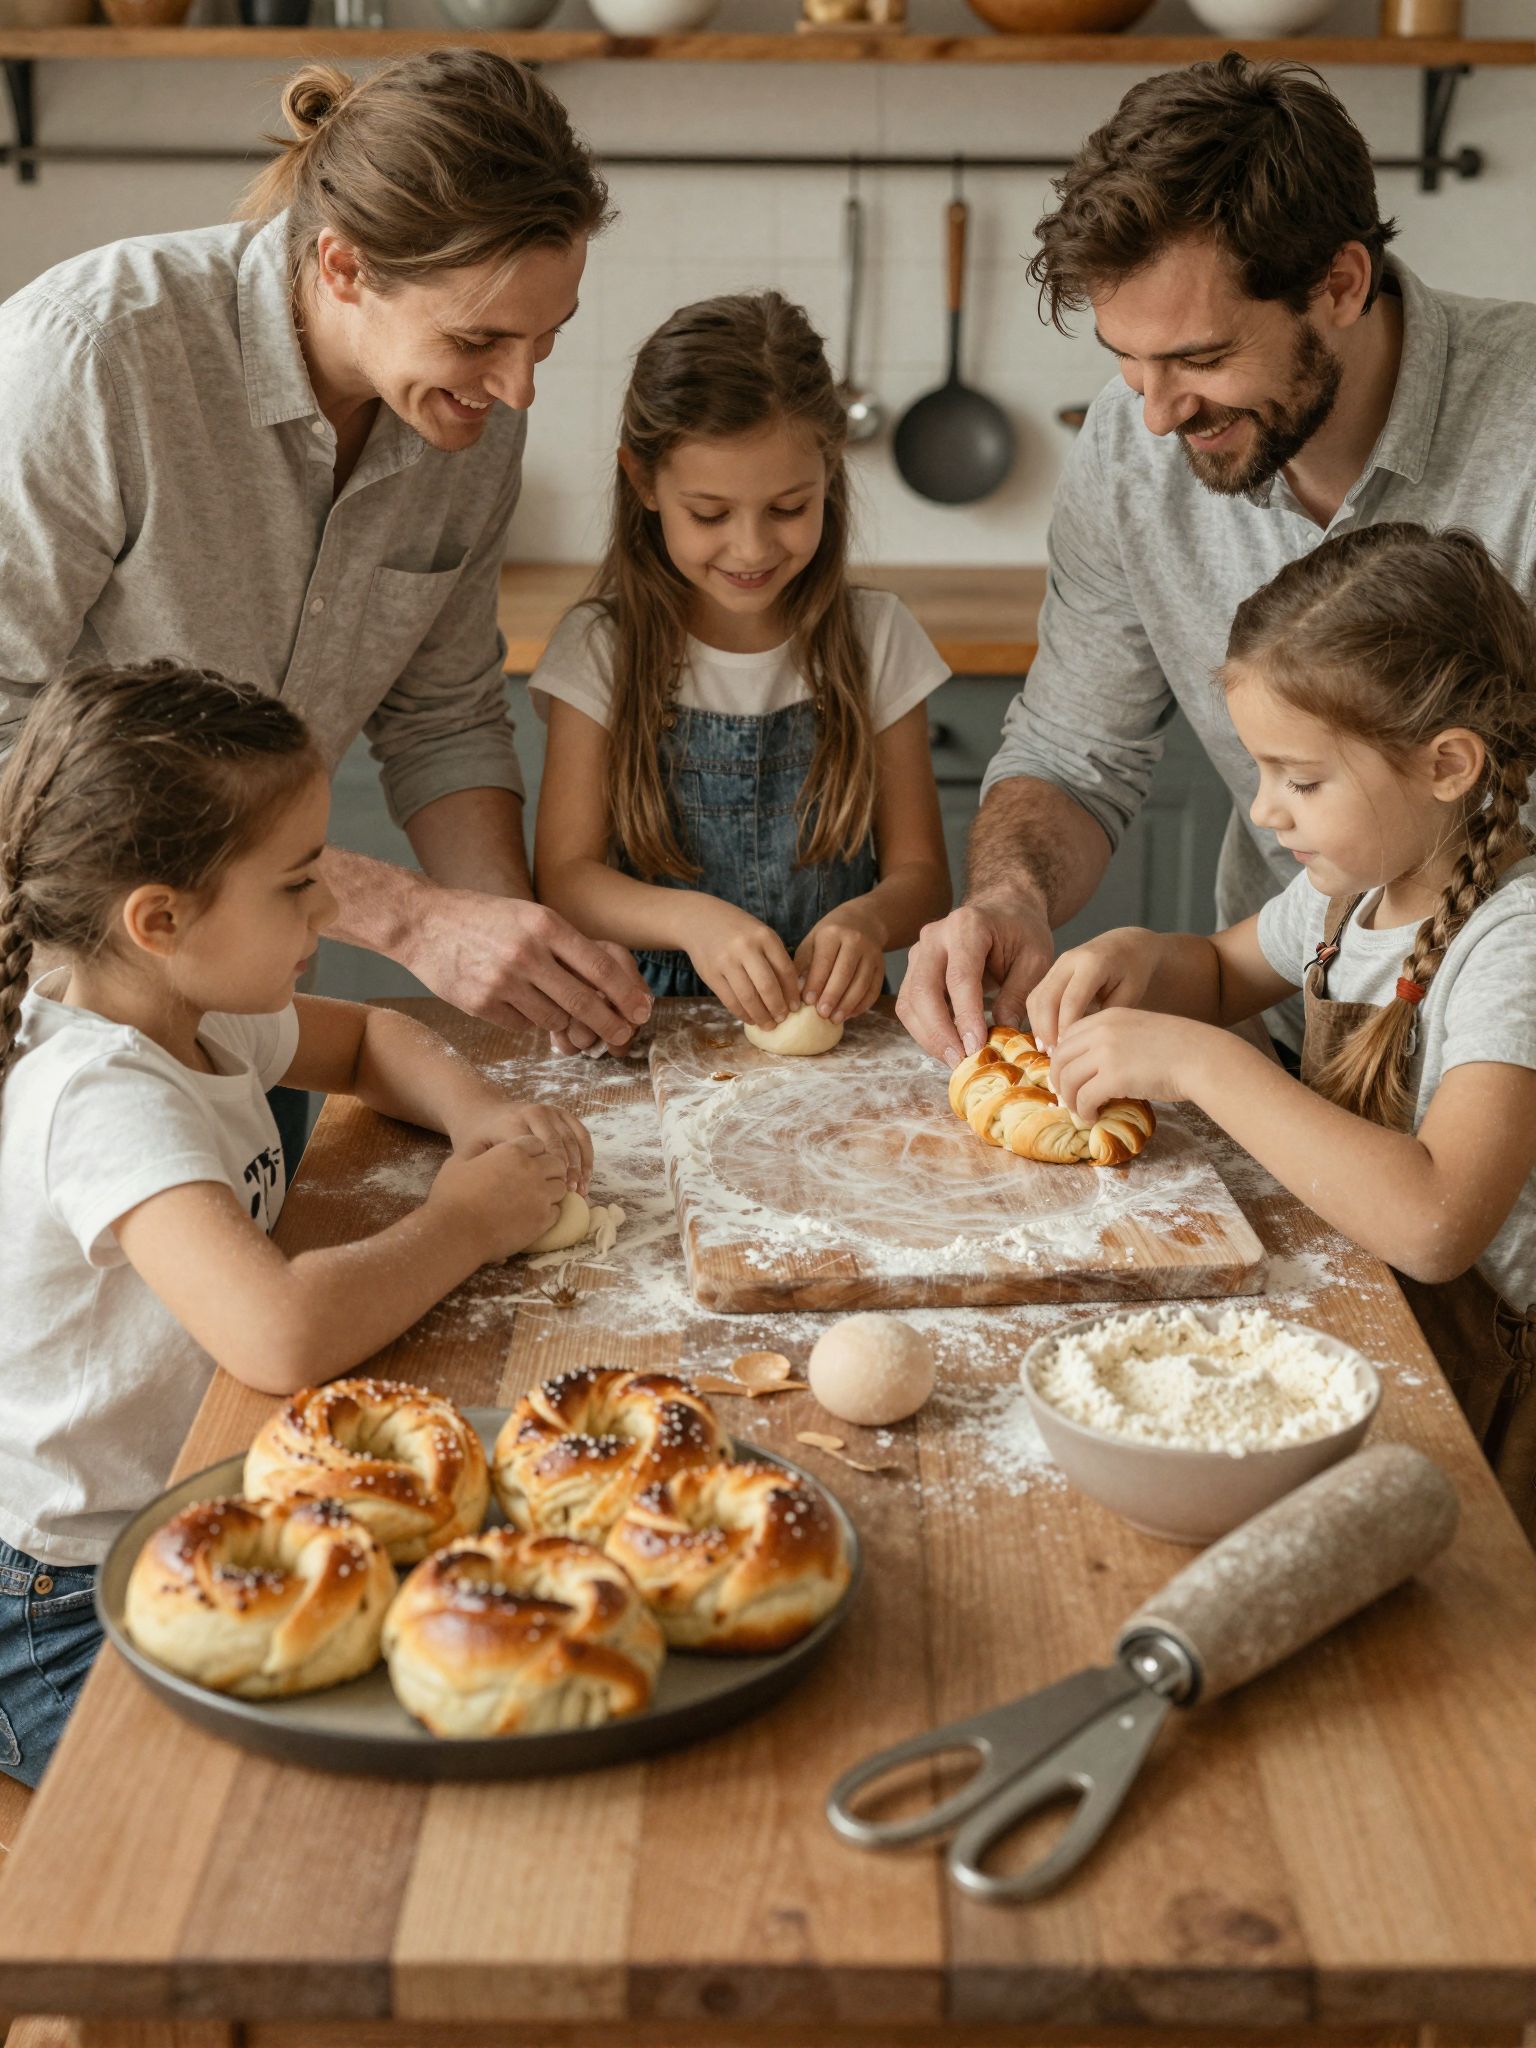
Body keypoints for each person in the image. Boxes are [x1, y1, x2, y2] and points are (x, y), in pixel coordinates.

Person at [0, 49, 653, 1109]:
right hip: (61, 1020)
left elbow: (442, 717)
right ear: (343, 266)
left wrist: (518, 970)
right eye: (480, 338)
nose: (519, 386)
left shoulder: (471, 422)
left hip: (252, 1007)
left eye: (547, 338)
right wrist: (398, 913)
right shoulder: (93, 360)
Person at [0, 662, 590, 1788]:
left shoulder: (190, 1008)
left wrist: (479, 1114)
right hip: (64, 1599)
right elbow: (276, 1334)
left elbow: (371, 1038)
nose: (327, 912)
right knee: (280, 1808)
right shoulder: (100, 1094)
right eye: (298, 884)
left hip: (198, 1504)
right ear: (160, 918)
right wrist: (464, 1221)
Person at [898, 53, 1536, 1070]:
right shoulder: (1133, 441)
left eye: (1198, 359)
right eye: (1124, 356)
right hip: (1289, 1050)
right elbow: (1073, 752)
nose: (1156, 412)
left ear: (1339, 283)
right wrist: (1006, 897)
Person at [1027, 525, 1536, 1535]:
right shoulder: (1356, 890)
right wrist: (1140, 952)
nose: (1266, 811)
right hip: (1384, 1329)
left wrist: (1203, 1061)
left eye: (1301, 779)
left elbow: (1436, 1223)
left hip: (1499, 1392)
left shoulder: (1513, 944)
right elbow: (1220, 969)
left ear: (1445, 763)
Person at [531, 292, 952, 1030]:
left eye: (789, 509)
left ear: (830, 471)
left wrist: (868, 922)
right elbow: (565, 880)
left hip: (839, 1020)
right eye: (711, 514)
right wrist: (692, 921)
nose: (753, 548)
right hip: (646, 1020)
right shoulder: (602, 650)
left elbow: (922, 877)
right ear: (642, 481)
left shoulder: (876, 638)